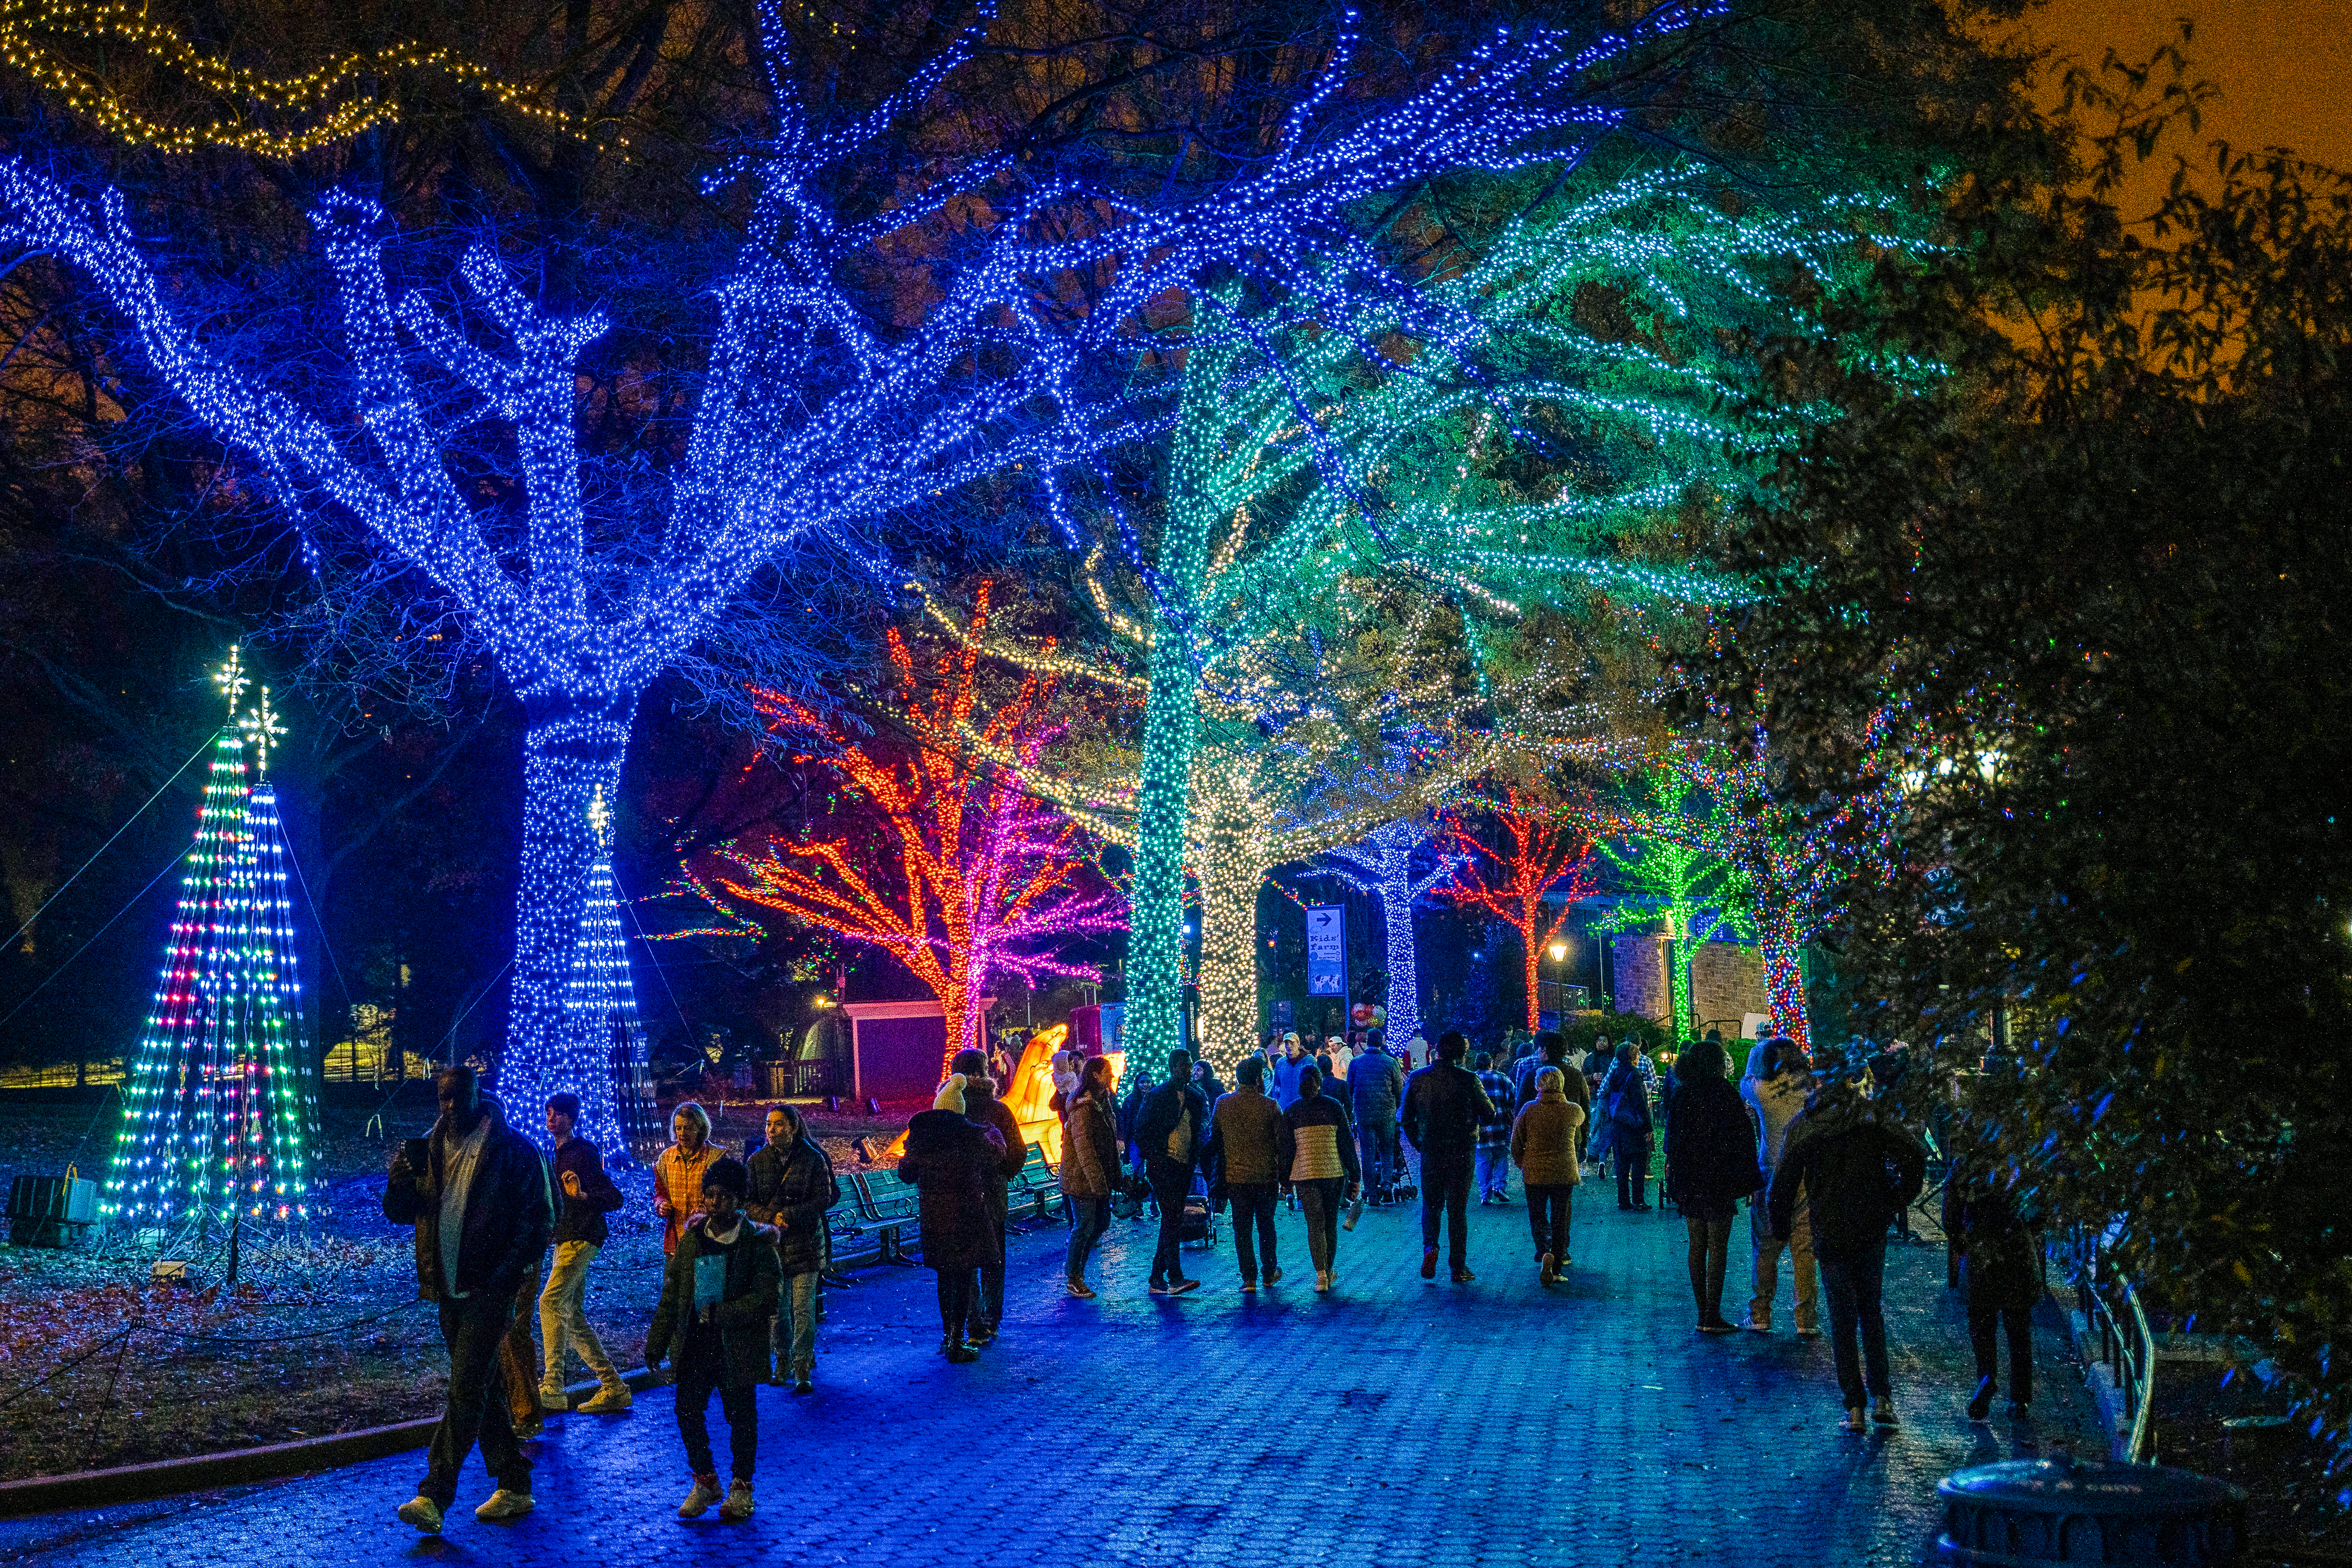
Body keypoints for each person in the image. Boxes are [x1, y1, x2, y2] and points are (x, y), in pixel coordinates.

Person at [385, 1066, 554, 1534]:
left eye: (460, 1096)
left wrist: (505, 1278)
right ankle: (515, 1483)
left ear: (480, 1094)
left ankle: (435, 1494)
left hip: (488, 1291)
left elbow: (539, 1221)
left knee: (464, 1389)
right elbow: (401, 1213)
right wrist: (399, 1180)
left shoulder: (514, 1151)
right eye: (444, 1098)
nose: (451, 1106)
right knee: (483, 1389)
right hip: (449, 1290)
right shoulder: (429, 1150)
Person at [1769, 1067, 1929, 1432]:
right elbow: (1913, 1155)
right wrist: (1896, 1198)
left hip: (1830, 1225)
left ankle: (1855, 1407)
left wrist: (1780, 1226)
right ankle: (1882, 1396)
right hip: (1870, 1222)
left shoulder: (1808, 1123)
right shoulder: (1870, 1117)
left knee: (1843, 1317)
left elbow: (1784, 1182)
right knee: (1870, 1310)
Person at [646, 1156, 779, 1523]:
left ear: (738, 1199)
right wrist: (657, 1341)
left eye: (722, 1195)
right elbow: (672, 1294)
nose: (714, 1202)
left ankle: (741, 1487)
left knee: (741, 1416)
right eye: (709, 1194)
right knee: (687, 1409)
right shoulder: (693, 1240)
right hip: (697, 1343)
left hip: (736, 1346)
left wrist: (727, 1312)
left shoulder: (755, 1243)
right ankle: (705, 1480)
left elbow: (768, 1297)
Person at [897, 1076, 1006, 1361]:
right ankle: (958, 1341)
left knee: (945, 1279)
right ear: (959, 1109)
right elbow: (996, 1156)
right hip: (967, 1216)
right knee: (964, 1277)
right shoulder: (970, 1135)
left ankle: (948, 1337)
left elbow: (905, 1173)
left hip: (935, 1219)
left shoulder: (922, 1138)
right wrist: (989, 1132)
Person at [536, 1092, 630, 1415]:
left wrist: (583, 1194)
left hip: (581, 1237)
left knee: (549, 1302)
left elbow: (614, 1198)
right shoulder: (556, 1154)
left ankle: (552, 1386)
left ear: (571, 1119)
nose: (552, 1118)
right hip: (565, 1238)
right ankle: (614, 1387)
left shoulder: (582, 1153)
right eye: (548, 1112)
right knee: (572, 1315)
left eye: (559, 1113)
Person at [1664, 1040, 1764, 1335]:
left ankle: (1702, 1313)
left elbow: (1673, 1138)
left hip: (1690, 1179)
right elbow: (1743, 1141)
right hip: (1718, 1179)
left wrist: (1675, 1173)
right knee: (1718, 1247)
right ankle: (1712, 1313)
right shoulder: (1725, 1094)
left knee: (1697, 1245)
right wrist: (1748, 1181)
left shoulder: (1683, 1093)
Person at [745, 1103, 837, 1394]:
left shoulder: (812, 1159)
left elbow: (824, 1197)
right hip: (772, 1245)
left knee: (803, 1310)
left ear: (794, 1128)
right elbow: (748, 1202)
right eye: (769, 1125)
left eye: (779, 1124)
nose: (772, 1130)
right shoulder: (757, 1161)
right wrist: (771, 1218)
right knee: (777, 1311)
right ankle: (781, 1361)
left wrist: (793, 1215)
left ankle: (801, 1367)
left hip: (806, 1244)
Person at [1945, 1155, 2042, 1421]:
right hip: (2018, 1250)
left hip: (1980, 1252)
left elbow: (1950, 1213)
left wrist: (1961, 1242)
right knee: (2018, 1328)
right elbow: (2040, 1210)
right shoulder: (2023, 1159)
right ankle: (2019, 1398)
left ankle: (1987, 1377)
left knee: (1981, 1325)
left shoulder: (1966, 1163)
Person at [1401, 1031, 1496, 1284]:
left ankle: (1430, 1247)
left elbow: (1405, 1117)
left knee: (1431, 1206)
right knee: (1457, 1210)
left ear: (1437, 1051)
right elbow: (1489, 1113)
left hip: (1431, 1150)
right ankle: (1458, 1266)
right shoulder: (1469, 1079)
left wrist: (1418, 1142)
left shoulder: (1418, 1078)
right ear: (1462, 1055)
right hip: (1461, 1152)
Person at [1741, 1037, 1819, 1336]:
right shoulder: (1811, 1087)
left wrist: (1758, 1055)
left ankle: (1760, 1312)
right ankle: (1806, 1319)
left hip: (1771, 1173)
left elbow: (1744, 1079)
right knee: (1805, 1249)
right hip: (1805, 1174)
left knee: (1765, 1247)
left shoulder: (1759, 1089)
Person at [950, 1048, 1027, 1343]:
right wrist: (1000, 1173)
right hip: (991, 1196)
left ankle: (973, 1320)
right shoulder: (998, 1110)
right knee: (993, 1259)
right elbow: (1017, 1152)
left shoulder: (948, 1109)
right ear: (985, 1073)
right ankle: (991, 1318)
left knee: (965, 1259)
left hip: (957, 1197)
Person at [1133, 1048, 1210, 1295]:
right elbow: (1142, 1131)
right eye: (1185, 1066)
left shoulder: (1195, 1096)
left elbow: (1199, 1130)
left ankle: (1158, 1277)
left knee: (1171, 1220)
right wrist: (1154, 1157)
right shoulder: (1158, 1096)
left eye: (1190, 1065)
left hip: (1182, 1165)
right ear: (1173, 1067)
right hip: (1164, 1166)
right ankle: (1173, 1276)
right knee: (1171, 1219)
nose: (1189, 1070)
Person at [1277, 1065, 1361, 1292]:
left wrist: (1284, 1181)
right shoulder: (1334, 1107)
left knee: (1315, 1224)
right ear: (1320, 1082)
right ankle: (1329, 1268)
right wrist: (1355, 1176)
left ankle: (1321, 1275)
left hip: (1304, 1174)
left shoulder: (1292, 1111)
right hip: (1333, 1172)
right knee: (1330, 1224)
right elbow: (1346, 1144)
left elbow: (1286, 1150)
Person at [1207, 1054, 1284, 1292]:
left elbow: (1214, 1140)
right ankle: (1269, 1272)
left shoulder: (1223, 1104)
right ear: (1259, 1079)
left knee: (1242, 1228)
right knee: (1266, 1225)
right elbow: (1281, 1143)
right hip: (1265, 1176)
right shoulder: (1270, 1106)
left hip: (1236, 1177)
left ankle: (1248, 1278)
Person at [1511, 1066, 1585, 1282]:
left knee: (1538, 1215)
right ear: (1561, 1084)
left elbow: (1516, 1141)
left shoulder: (1528, 1110)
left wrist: (1521, 1161)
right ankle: (1558, 1266)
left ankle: (1544, 1252)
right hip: (1564, 1171)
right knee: (1561, 1217)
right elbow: (1579, 1137)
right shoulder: (1573, 1110)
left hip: (1534, 1172)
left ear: (1537, 1086)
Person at [1059, 1056, 1122, 1297]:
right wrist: (1098, 1183)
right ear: (1095, 1075)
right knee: (1084, 1225)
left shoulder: (1103, 1100)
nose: (1112, 1076)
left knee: (1101, 1222)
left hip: (1099, 1176)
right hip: (1081, 1177)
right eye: (1108, 1072)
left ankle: (1076, 1271)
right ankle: (1074, 1276)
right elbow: (1084, 1147)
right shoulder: (1082, 1106)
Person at [653, 1102, 721, 1257]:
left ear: (700, 1128)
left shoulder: (716, 1158)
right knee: (674, 1281)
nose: (683, 1133)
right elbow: (660, 1193)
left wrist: (708, 1208)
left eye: (689, 1128)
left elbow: (728, 1197)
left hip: (708, 1240)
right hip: (676, 1241)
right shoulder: (666, 1159)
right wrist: (661, 1205)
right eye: (679, 1128)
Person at [1345, 1035, 1404, 1198]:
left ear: (1368, 1043)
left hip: (1364, 1114)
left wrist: (1355, 1107)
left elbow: (1350, 1089)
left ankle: (1371, 1191)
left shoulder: (1356, 1063)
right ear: (1381, 1043)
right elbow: (1399, 1091)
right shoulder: (1391, 1062)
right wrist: (1395, 1107)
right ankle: (1386, 1183)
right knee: (1386, 1149)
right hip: (1386, 1112)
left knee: (1367, 1152)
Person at [1601, 1042, 1655, 1209]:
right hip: (1633, 1125)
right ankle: (1639, 1200)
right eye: (1637, 1055)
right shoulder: (1635, 1075)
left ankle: (1623, 1200)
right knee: (1638, 1161)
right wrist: (1648, 1127)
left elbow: (1605, 1093)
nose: (1639, 1057)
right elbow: (1640, 1102)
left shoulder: (1615, 1073)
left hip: (1618, 1124)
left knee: (1621, 1163)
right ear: (1632, 1057)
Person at [1471, 1051, 1516, 1205]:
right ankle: (1500, 1187)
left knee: (1483, 1160)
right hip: (1500, 1127)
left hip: (1480, 1128)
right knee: (1502, 1157)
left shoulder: (1472, 1079)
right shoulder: (1503, 1078)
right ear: (1492, 1064)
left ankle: (1485, 1194)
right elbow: (1512, 1100)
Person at [1270, 1032, 1312, 1111]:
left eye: (1292, 1043)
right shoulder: (1280, 1063)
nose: (1289, 1046)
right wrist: (1277, 1101)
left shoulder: (1309, 1061)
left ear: (1298, 1044)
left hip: (1303, 1108)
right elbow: (1277, 1085)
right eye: (1286, 1044)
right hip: (1284, 1108)